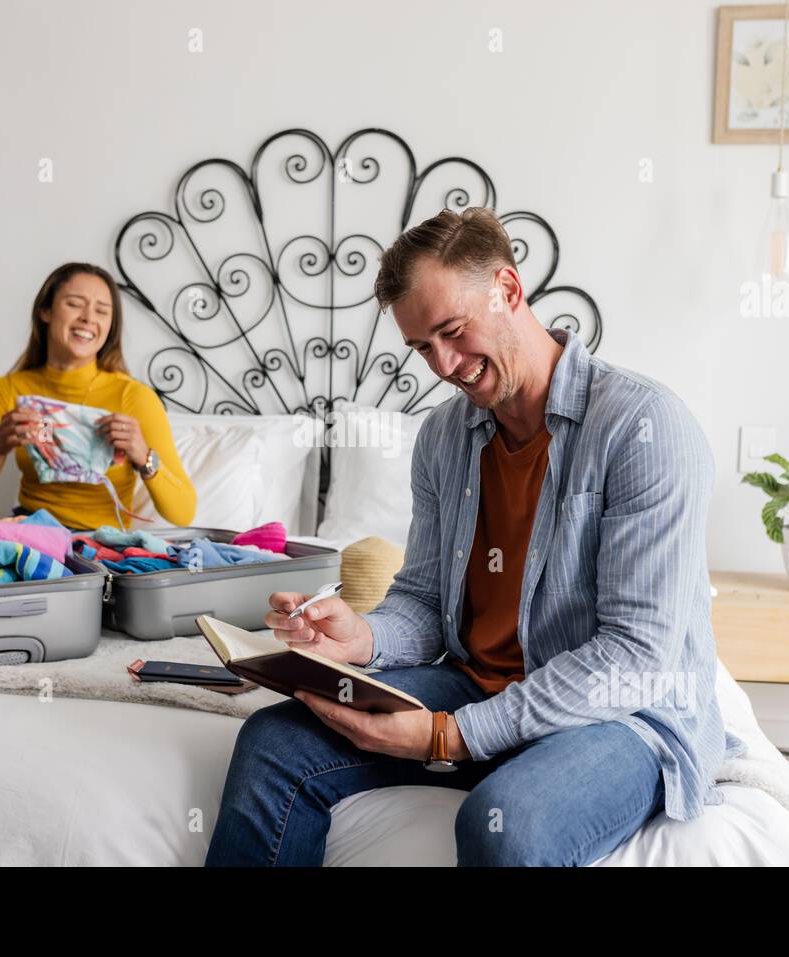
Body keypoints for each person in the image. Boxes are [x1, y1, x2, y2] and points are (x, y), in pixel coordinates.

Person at [206, 208, 730, 866]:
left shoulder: (642, 429)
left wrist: (448, 736)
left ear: (508, 289)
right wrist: (362, 636)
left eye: (452, 331)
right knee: (273, 741)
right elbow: (424, 598)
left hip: (623, 717)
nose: (444, 364)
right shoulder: (444, 437)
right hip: (474, 686)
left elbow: (634, 659)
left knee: (505, 824)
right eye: (423, 347)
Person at [0, 262, 195, 530]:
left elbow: (183, 513)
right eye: (74, 304)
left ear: (110, 325)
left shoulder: (135, 397)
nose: (89, 317)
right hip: (33, 539)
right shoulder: (8, 390)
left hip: (103, 550)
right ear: (45, 311)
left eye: (102, 311)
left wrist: (142, 454)